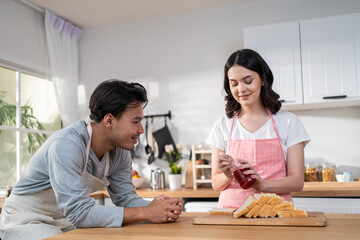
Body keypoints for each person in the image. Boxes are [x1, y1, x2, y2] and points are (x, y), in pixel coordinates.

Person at [0, 80, 184, 240]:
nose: (141, 130)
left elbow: (126, 199)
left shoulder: (120, 152)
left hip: (64, 220)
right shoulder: (66, 144)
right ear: (109, 120)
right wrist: (146, 212)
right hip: (25, 220)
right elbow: (80, 212)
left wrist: (162, 207)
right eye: (135, 122)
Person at [206, 49, 311, 208]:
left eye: (248, 81)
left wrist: (262, 185)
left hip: (275, 213)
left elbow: (297, 182)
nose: (240, 89)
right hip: (232, 217)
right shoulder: (222, 126)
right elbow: (216, 184)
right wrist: (228, 176)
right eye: (234, 83)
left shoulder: (288, 122)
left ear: (262, 79)